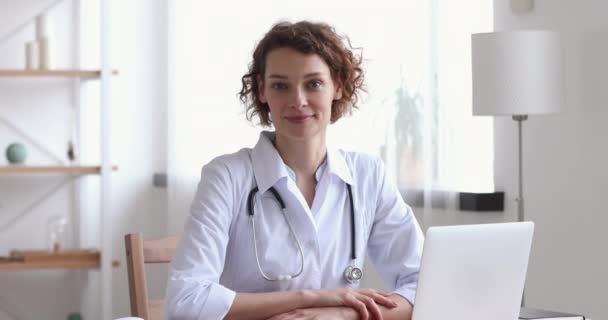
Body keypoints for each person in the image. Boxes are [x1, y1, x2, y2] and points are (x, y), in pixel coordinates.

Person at [166, 20, 423, 320]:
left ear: (337, 86)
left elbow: (425, 286)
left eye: (313, 83)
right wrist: (309, 299)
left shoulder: (368, 175)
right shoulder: (226, 176)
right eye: (280, 86)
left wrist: (341, 315)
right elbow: (185, 302)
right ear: (262, 90)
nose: (298, 101)